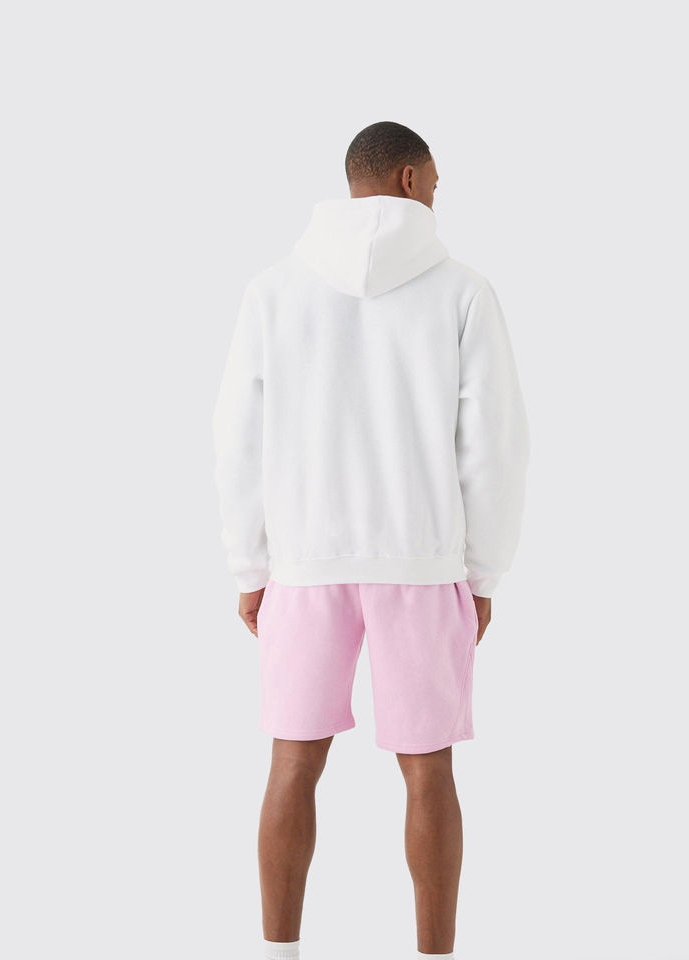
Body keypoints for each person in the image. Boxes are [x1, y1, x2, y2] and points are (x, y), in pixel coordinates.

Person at [212, 120, 530, 960]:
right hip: (422, 565)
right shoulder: (463, 290)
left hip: (304, 565)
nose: (439, 196)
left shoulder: (273, 289)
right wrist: (483, 574)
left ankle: (278, 954)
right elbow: (495, 445)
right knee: (430, 772)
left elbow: (235, 436)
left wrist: (250, 565)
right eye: (437, 182)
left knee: (292, 763)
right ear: (410, 177)